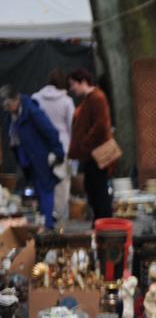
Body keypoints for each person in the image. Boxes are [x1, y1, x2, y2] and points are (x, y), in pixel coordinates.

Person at [1, 85, 64, 229]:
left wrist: (58, 152)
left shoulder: (32, 112)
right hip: (27, 159)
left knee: (46, 189)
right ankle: (42, 223)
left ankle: (47, 225)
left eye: (8, 105)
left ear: (15, 100)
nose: (7, 108)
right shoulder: (11, 116)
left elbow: (50, 131)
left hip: (40, 157)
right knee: (37, 191)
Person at [67, 68, 114, 221]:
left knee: (99, 191)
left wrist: (84, 143)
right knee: (93, 189)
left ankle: (104, 223)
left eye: (73, 84)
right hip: (91, 154)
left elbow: (101, 125)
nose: (71, 88)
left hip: (97, 154)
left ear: (82, 82)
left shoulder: (97, 98)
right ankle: (100, 222)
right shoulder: (89, 99)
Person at [32, 70, 75, 227]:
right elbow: (72, 126)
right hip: (62, 147)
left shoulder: (35, 98)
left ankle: (45, 218)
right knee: (62, 185)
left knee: (44, 185)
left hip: (41, 149)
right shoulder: (67, 101)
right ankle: (61, 222)